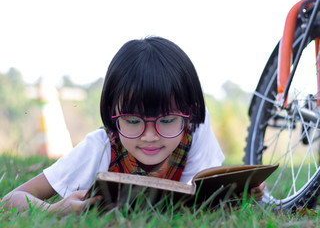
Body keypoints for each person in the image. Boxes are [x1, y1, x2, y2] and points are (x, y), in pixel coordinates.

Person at [1, 36, 265, 216]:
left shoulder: (194, 130)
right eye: (133, 121)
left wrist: (238, 197)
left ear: (190, 112)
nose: (149, 136)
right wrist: (54, 211)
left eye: (166, 120)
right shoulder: (99, 149)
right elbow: (10, 199)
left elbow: (201, 203)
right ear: (111, 116)